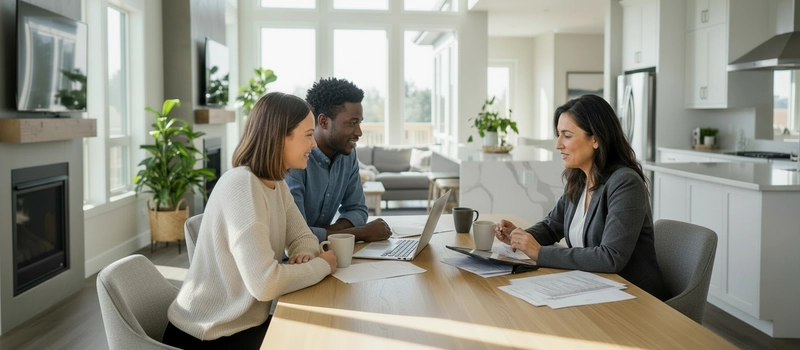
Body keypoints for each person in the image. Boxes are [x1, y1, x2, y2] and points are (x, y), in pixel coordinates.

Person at [163, 92, 338, 349]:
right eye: (308, 135)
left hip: (242, 325)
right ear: (279, 137)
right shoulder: (242, 186)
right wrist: (323, 265)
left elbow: (303, 238)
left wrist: (305, 255)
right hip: (208, 334)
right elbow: (266, 284)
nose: (314, 145)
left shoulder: (276, 185)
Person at [494, 94, 670, 301]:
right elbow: (552, 226)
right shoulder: (579, 179)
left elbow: (610, 258)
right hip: (594, 287)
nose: (558, 144)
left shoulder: (625, 183)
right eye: (558, 135)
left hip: (633, 297)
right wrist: (517, 236)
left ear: (595, 139)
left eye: (567, 135)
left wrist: (540, 253)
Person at [286, 77, 391, 243]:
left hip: (322, 251)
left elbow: (357, 209)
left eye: (360, 123)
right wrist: (359, 232)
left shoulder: (347, 155)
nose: (359, 132)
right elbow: (294, 235)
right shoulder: (296, 159)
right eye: (352, 123)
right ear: (323, 121)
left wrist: (328, 233)